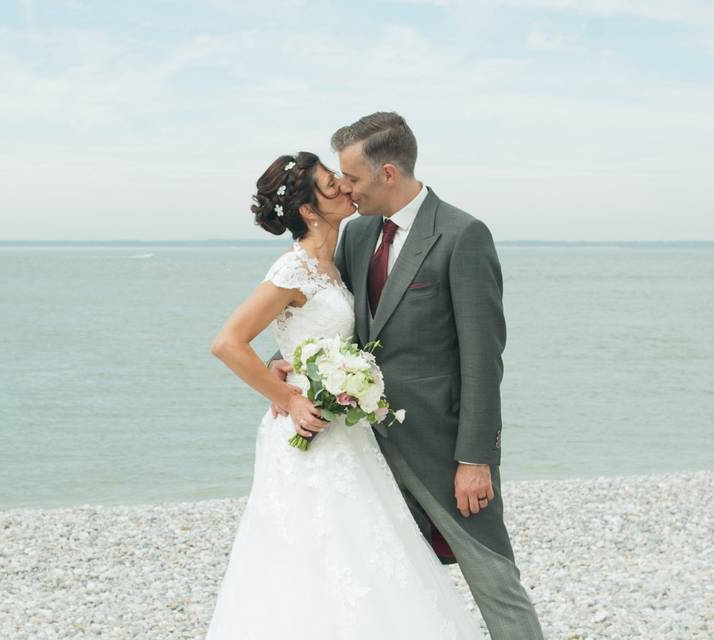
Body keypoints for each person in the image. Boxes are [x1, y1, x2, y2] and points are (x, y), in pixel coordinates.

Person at [268, 112, 544, 639]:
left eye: (352, 177)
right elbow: (332, 315)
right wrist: (281, 361)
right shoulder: (357, 234)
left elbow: (484, 359)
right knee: (384, 588)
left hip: (443, 453)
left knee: (494, 581)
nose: (345, 188)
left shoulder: (462, 236)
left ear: (388, 173)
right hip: (362, 449)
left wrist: (475, 459)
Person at [207, 150, 484, 639]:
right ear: (310, 210)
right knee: (311, 555)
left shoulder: (335, 262)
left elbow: (311, 335)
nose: (342, 185)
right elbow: (228, 343)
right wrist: (288, 397)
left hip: (349, 437)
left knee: (365, 550)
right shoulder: (292, 271)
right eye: (328, 183)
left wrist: (306, 368)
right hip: (310, 435)